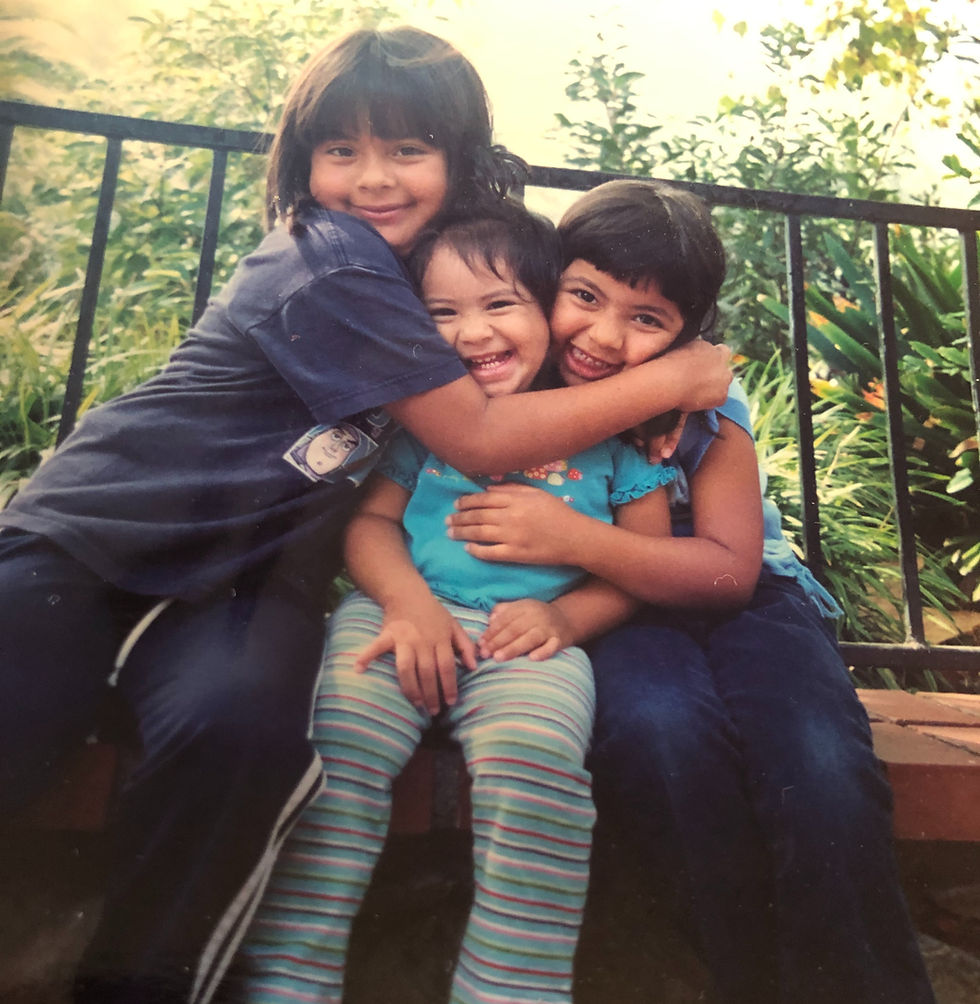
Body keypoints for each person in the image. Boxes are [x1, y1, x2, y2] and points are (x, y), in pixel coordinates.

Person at [0, 31, 732, 1004]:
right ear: (302, 165)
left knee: (245, 737)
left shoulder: (422, 277)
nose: (372, 177)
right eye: (339, 150)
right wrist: (680, 368)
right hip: (99, 539)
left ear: (457, 158)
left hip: (247, 584)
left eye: (408, 148)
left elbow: (528, 368)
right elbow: (476, 437)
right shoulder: (326, 257)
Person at [447, 179, 937, 1004]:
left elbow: (726, 572)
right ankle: (753, 981)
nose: (604, 335)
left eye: (647, 319)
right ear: (549, 282)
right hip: (610, 607)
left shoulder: (705, 395)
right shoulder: (517, 383)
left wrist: (572, 537)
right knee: (659, 734)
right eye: (584, 296)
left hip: (749, 600)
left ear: (687, 334)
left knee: (818, 762)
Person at [228, 203, 677, 1004]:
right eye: (442, 313)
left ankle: (511, 991)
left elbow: (642, 567)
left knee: (538, 768)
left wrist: (566, 620)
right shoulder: (431, 420)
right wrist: (405, 606)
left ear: (548, 308)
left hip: (531, 641)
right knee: (339, 745)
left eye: (499, 304)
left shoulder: (615, 436)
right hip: (403, 613)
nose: (473, 333)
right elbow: (369, 525)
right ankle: (288, 980)